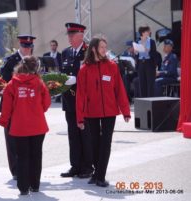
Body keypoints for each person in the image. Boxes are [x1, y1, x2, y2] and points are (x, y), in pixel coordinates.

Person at [76, 34, 131, 187]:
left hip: (109, 112)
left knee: (105, 143)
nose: (105, 50)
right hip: (91, 112)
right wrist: (80, 117)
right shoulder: (84, 69)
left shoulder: (112, 66)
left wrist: (125, 110)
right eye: (102, 47)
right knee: (94, 144)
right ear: (94, 49)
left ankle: (100, 176)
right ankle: (96, 174)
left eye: (105, 47)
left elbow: (119, 89)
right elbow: (80, 94)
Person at [0, 56, 51, 195]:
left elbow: (6, 107)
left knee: (22, 156)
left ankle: (23, 188)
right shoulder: (39, 83)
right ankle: (35, 185)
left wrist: (4, 120)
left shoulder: (12, 84)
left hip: (19, 127)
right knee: (36, 155)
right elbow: (46, 103)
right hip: (38, 126)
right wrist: (37, 110)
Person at [0, 34, 36, 180]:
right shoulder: (10, 61)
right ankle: (16, 170)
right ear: (20, 46)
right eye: (25, 46)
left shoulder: (34, 62)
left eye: (29, 47)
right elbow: (4, 82)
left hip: (28, 106)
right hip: (12, 105)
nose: (27, 49)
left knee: (29, 137)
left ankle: (29, 167)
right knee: (12, 138)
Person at [60, 22, 93, 179]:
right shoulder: (65, 53)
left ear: (81, 35)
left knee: (85, 134)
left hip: (84, 101)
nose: (70, 37)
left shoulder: (89, 53)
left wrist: (77, 80)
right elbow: (62, 75)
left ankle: (87, 166)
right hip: (69, 100)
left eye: (73, 35)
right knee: (73, 134)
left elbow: (92, 77)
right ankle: (75, 165)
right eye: (69, 35)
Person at [135, 26, 158, 97]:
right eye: (147, 31)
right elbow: (137, 55)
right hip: (141, 63)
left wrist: (148, 51)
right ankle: (143, 101)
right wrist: (136, 52)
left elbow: (154, 54)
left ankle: (150, 101)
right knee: (142, 83)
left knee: (150, 84)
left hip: (149, 63)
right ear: (143, 32)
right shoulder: (137, 41)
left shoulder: (151, 41)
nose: (149, 32)